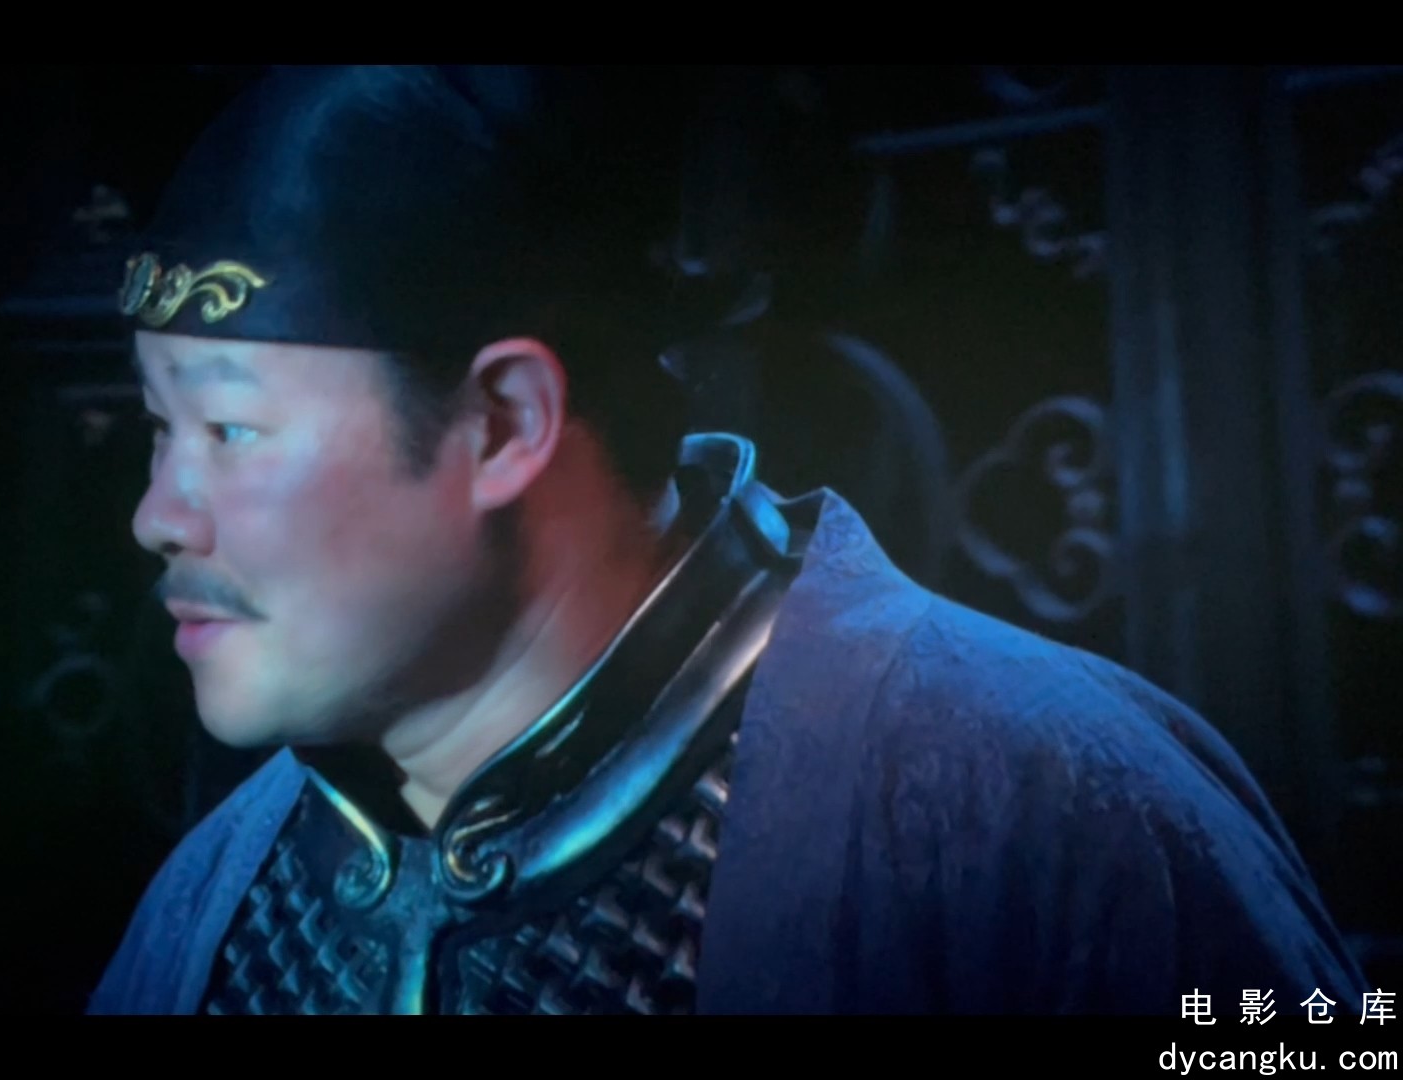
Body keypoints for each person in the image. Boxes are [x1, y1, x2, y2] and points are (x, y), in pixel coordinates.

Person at [86, 65, 1367, 1015]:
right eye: (158, 429)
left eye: (230, 431)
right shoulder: (216, 902)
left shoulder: (1048, 806)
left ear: (504, 422)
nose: (158, 514)